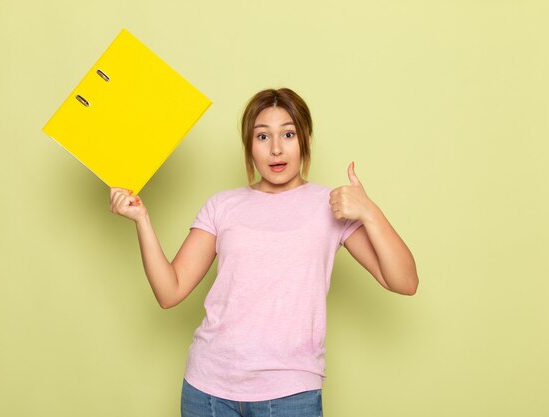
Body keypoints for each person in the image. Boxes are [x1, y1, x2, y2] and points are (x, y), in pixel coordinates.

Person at [109, 88, 419, 417]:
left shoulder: (330, 206)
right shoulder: (222, 206)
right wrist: (141, 219)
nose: (275, 149)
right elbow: (169, 291)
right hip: (208, 390)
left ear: (307, 139)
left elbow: (405, 281)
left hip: (291, 394)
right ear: (249, 145)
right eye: (262, 136)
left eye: (288, 134)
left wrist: (369, 211)